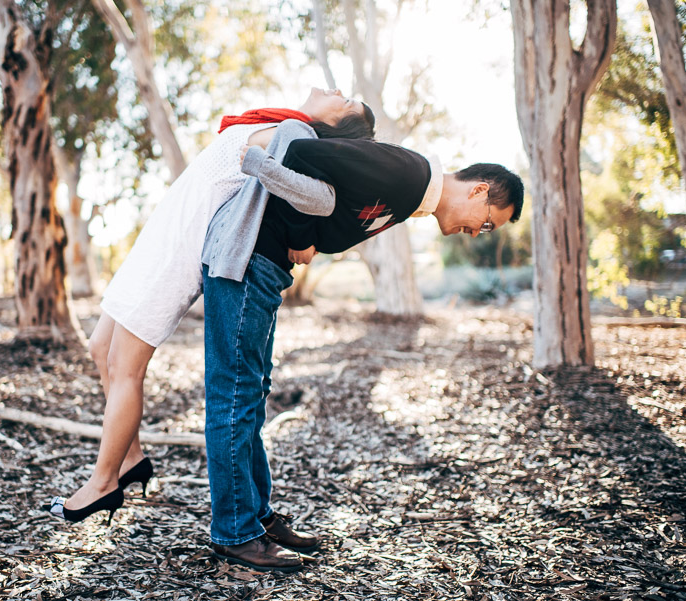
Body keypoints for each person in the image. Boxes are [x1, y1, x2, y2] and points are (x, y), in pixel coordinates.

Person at [46, 89, 376, 524]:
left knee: (126, 367)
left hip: (179, 249)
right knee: (99, 347)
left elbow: (308, 190)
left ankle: (104, 483)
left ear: (336, 126)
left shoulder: (295, 133)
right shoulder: (281, 120)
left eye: (348, 102)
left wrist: (303, 239)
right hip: (162, 231)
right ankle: (132, 460)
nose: (339, 92)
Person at [201, 138, 525, 572]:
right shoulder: (409, 175)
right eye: (487, 223)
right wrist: (299, 235)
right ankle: (235, 533)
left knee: (251, 396)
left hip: (264, 268)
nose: (476, 233)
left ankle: (255, 519)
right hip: (247, 260)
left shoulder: (413, 195)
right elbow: (300, 153)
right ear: (479, 191)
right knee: (235, 398)